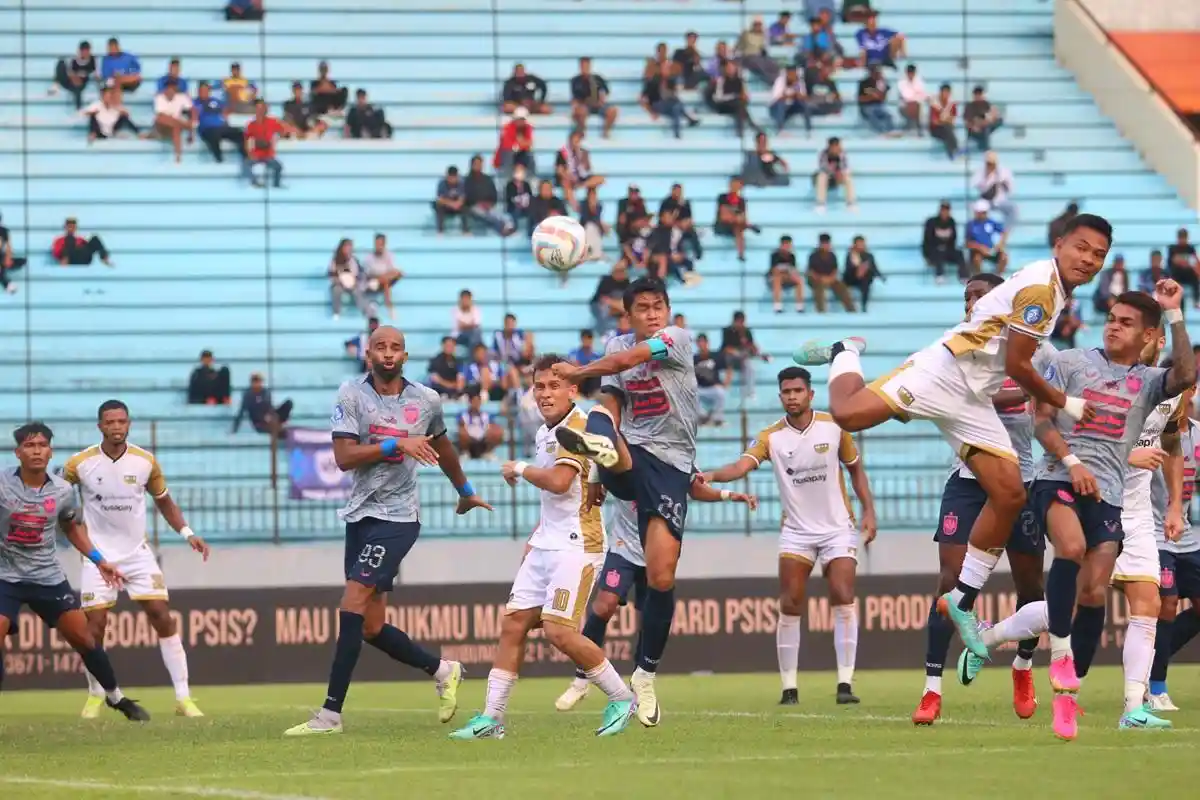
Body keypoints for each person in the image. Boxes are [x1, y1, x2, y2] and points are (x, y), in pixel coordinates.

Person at [793, 214, 1114, 662]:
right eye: (1081, 247)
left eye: (1099, 254)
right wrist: (1066, 402)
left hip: (973, 394)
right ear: (1059, 244)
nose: (1089, 259)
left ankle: (961, 600)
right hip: (944, 373)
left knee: (1009, 492)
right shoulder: (1042, 288)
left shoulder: (1055, 288)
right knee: (846, 415)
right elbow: (1018, 366)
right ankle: (845, 350)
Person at [955, 285, 1195, 740]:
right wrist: (1075, 461)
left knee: (1111, 599)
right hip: (1062, 481)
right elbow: (1042, 419)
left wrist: (1176, 312)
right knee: (1071, 559)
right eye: (1112, 318)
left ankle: (1123, 703)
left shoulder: (1155, 386)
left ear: (1151, 336)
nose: (1113, 326)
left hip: (1123, 505)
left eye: (1126, 322)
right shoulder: (1071, 363)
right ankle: (1039, 655)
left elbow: (1175, 421)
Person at [286, 326, 492, 736]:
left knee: (352, 601)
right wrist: (395, 444)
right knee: (370, 626)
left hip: (398, 519)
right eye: (380, 346)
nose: (388, 353)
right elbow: (344, 457)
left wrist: (465, 491)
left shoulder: (426, 399)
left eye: (395, 347)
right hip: (360, 516)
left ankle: (330, 714)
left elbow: (443, 447)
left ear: (405, 356)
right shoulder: (351, 394)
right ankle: (443, 670)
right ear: (368, 354)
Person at [451, 356, 637, 739]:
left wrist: (519, 468)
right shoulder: (544, 431)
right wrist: (535, 537)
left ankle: (623, 698)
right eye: (539, 386)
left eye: (555, 385)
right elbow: (556, 500)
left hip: (577, 544)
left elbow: (559, 482)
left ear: (572, 389)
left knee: (559, 632)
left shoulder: (578, 427)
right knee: (514, 624)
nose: (546, 394)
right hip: (546, 543)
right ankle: (492, 719)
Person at [548, 277, 699, 727]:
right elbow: (614, 396)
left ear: (667, 310)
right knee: (601, 408)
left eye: (658, 306)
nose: (653, 315)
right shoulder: (616, 343)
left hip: (672, 464)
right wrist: (600, 465)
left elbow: (630, 359)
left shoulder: (675, 338)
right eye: (643, 309)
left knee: (662, 575)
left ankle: (644, 675)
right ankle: (601, 452)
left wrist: (579, 371)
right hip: (633, 454)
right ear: (628, 315)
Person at [911, 273, 1055, 726]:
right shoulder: (958, 349)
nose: (972, 302)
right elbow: (971, 396)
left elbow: (1048, 402)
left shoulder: (1040, 351)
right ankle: (931, 690)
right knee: (949, 583)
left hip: (1022, 482)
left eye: (981, 295)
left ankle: (1023, 668)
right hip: (969, 481)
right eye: (967, 296)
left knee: (1031, 588)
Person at [703, 367, 877, 705]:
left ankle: (845, 684)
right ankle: (789, 688)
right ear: (780, 396)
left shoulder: (834, 425)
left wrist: (869, 510)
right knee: (790, 601)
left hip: (837, 527)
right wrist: (710, 475)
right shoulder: (771, 436)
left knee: (842, 593)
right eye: (786, 392)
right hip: (796, 531)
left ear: (810, 394)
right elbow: (740, 467)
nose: (792, 396)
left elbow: (856, 469)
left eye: (798, 391)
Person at [554, 481, 758, 712]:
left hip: (657, 552)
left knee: (647, 618)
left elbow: (694, 487)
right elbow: (600, 478)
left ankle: (638, 686)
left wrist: (729, 495)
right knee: (604, 605)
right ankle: (581, 680)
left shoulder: (673, 462)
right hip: (623, 547)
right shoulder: (621, 463)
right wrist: (595, 488)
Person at [64, 401, 211, 718]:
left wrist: (187, 532)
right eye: (110, 422)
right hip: (98, 555)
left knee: (162, 615)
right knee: (95, 626)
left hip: (136, 553)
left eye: (122, 421)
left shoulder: (145, 462)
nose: (116, 426)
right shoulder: (80, 463)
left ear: (129, 424)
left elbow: (165, 502)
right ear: (100, 426)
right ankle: (96, 695)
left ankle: (184, 698)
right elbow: (57, 493)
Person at [0, 422, 149, 722]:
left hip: (47, 577)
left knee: (85, 640)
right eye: (29, 446)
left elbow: (71, 529)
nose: (37, 451)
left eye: (42, 445)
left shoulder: (63, 490)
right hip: (6, 576)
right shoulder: (2, 484)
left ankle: (115, 697)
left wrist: (99, 560)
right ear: (18, 453)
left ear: (50, 451)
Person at [1148, 407, 1200, 710]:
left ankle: (1152, 657)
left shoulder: (1197, 434)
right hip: (1153, 533)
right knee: (1167, 603)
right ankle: (1156, 687)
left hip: (1186, 534)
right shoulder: (1151, 429)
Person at [242, 100, 289, 188]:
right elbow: (246, 140)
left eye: (262, 108)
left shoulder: (273, 121)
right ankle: (255, 183)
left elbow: (284, 130)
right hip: (256, 153)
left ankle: (276, 185)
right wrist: (249, 154)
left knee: (278, 167)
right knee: (245, 165)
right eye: (258, 108)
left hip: (268, 154)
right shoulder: (251, 124)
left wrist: (278, 138)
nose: (260, 111)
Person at [570, 57, 618, 138]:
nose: (585, 68)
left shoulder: (598, 78)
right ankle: (581, 133)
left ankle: (606, 132)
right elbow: (575, 99)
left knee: (613, 111)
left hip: (599, 105)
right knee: (580, 111)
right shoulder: (575, 80)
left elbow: (605, 92)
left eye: (587, 66)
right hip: (584, 105)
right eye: (583, 66)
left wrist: (601, 99)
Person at [194, 82, 242, 163]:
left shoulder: (215, 101)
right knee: (214, 135)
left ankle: (246, 158)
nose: (204, 92)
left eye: (206, 90)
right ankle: (219, 159)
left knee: (239, 133)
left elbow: (226, 110)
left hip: (221, 127)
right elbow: (192, 115)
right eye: (202, 90)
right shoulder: (195, 102)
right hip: (206, 129)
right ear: (198, 91)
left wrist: (226, 114)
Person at [922, 201, 966, 283]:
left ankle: (964, 276)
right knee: (939, 252)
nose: (945, 212)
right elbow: (927, 239)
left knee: (959, 253)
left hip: (947, 249)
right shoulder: (931, 222)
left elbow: (954, 239)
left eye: (947, 210)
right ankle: (940, 275)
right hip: (933, 251)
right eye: (943, 210)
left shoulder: (951, 222)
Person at [692, 334, 729, 426]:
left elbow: (729, 369)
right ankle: (703, 417)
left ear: (707, 343)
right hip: (700, 388)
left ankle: (717, 419)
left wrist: (725, 384)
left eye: (703, 342)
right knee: (690, 394)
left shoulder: (715, 356)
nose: (701, 344)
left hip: (713, 387)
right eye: (699, 342)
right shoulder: (694, 359)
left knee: (721, 392)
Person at [456, 392, 503, 460]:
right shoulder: (463, 414)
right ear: (470, 402)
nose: (476, 404)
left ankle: (488, 452)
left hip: (483, 437)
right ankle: (466, 452)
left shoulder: (486, 415)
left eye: (478, 401)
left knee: (498, 432)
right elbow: (460, 425)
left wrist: (490, 431)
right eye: (474, 401)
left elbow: (492, 425)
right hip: (469, 437)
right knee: (461, 432)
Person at [53, 40, 98, 109]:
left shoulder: (93, 60)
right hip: (70, 80)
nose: (85, 53)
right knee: (61, 62)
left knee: (78, 87)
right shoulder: (74, 60)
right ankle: (55, 86)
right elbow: (69, 71)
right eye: (83, 51)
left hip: (81, 83)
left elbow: (95, 74)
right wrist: (73, 77)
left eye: (87, 51)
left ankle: (78, 109)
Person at [843, 235, 882, 312]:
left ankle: (864, 305)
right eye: (859, 244)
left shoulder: (869, 255)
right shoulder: (851, 254)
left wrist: (879, 275)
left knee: (867, 278)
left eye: (862, 243)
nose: (861, 245)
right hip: (852, 277)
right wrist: (858, 269)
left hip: (863, 278)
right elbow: (848, 268)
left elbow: (874, 268)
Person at [769, 235, 804, 314]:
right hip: (774, 277)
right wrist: (785, 271)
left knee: (799, 280)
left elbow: (793, 270)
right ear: (781, 245)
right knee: (777, 279)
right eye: (785, 244)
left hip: (788, 276)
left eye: (789, 245)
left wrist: (789, 272)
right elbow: (774, 270)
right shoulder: (775, 255)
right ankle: (777, 306)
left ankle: (799, 306)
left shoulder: (792, 256)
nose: (787, 247)